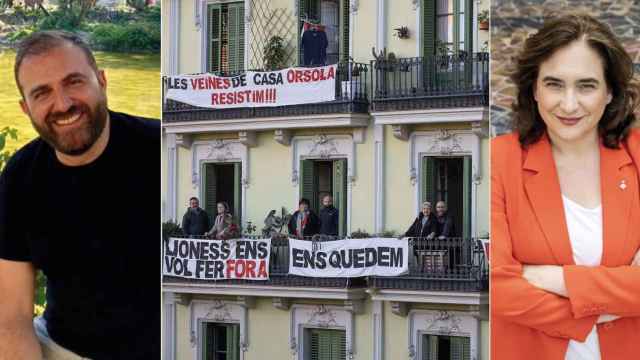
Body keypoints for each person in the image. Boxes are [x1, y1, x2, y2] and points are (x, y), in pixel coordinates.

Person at [0, 31, 159, 359]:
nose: (63, 104)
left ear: (102, 81)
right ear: (25, 108)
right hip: (62, 347)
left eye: (74, 82)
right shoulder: (20, 177)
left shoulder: (166, 152)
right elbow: (12, 321)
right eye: (42, 93)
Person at [492, 14, 640, 360]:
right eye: (554, 84)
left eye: (586, 85)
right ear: (534, 88)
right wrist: (618, 297)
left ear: (609, 93)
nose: (569, 104)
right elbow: (497, 287)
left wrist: (554, 280)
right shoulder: (498, 161)